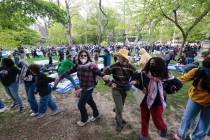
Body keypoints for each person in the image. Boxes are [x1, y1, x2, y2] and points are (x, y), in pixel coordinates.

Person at [131, 57, 182, 140]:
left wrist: (169, 91)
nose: (151, 65)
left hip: (158, 102)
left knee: (157, 119)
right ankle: (144, 134)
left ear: (159, 65)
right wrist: (141, 87)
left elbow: (179, 85)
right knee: (144, 118)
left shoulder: (166, 76)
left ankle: (163, 128)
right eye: (150, 63)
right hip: (144, 100)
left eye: (153, 63)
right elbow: (133, 80)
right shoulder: (144, 73)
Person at [55, 50, 101, 126]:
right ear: (79, 57)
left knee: (80, 104)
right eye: (81, 56)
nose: (83, 57)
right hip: (83, 86)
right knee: (90, 101)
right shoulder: (78, 65)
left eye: (85, 55)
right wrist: (60, 76)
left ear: (87, 56)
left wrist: (107, 78)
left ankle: (84, 119)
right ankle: (96, 115)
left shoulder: (91, 65)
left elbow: (99, 72)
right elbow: (69, 71)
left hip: (89, 87)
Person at [174, 56, 210, 140]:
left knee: (204, 123)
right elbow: (182, 79)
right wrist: (170, 81)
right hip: (194, 99)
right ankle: (181, 135)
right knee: (187, 118)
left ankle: (196, 138)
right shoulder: (198, 71)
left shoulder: (199, 70)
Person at [102, 48, 136, 132]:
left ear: (125, 58)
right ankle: (119, 123)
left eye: (120, 57)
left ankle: (117, 114)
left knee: (120, 107)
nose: (118, 58)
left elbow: (137, 75)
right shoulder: (114, 66)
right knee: (119, 108)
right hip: (116, 89)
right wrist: (110, 83)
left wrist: (134, 81)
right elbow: (102, 73)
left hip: (124, 90)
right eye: (118, 56)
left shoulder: (130, 67)